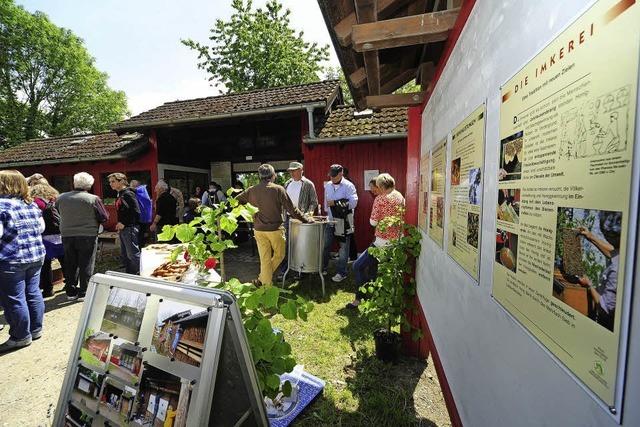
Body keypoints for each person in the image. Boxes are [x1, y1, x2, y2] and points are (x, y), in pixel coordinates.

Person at [236, 164, 313, 286]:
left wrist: (248, 211)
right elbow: (292, 210)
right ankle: (265, 285)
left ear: (259, 176)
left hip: (258, 230)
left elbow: (235, 201)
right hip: (275, 230)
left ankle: (262, 279)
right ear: (273, 175)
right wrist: (306, 220)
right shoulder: (278, 189)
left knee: (265, 259)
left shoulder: (252, 190)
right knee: (280, 255)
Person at [0, 170, 46, 353]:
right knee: (33, 292)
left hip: (11, 259)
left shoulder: (2, 205)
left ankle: (20, 336)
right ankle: (35, 329)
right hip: (35, 256)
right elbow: (41, 228)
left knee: (14, 298)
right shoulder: (31, 204)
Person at [347, 173, 405, 309]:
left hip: (381, 242)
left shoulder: (380, 199)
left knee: (357, 266)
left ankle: (359, 299)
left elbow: (372, 222)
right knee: (378, 270)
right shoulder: (400, 196)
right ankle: (378, 297)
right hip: (396, 242)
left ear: (380, 186)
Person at [57, 172, 109, 299]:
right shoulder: (93, 199)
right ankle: (84, 292)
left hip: (67, 234)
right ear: (90, 185)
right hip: (88, 234)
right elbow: (104, 217)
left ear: (74, 183)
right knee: (86, 263)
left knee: (70, 263)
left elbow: (58, 211)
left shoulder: (61, 198)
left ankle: (71, 291)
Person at [577, 211, 622, 332]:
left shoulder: (616, 270)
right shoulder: (624, 253)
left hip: (607, 325)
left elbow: (604, 307)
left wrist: (589, 284)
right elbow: (613, 253)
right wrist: (590, 236)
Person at [278, 161, 318, 278]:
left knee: (300, 245)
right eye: (291, 171)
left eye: (294, 170)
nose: (292, 173)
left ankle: (300, 271)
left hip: (301, 220)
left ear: (301, 170)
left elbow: (314, 202)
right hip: (287, 219)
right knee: (286, 244)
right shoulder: (287, 183)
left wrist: (308, 214)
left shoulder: (308, 184)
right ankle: (284, 270)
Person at [323, 164, 358, 282]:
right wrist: (327, 211)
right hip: (330, 220)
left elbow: (353, 203)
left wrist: (336, 203)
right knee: (325, 245)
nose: (332, 178)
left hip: (344, 221)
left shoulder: (349, 186)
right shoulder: (328, 185)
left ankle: (342, 272)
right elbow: (326, 202)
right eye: (330, 175)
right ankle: (323, 268)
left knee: (343, 248)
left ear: (341, 173)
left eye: (334, 176)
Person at [31, 182, 63, 297]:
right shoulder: (56, 199)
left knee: (46, 265)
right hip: (60, 234)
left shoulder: (36, 202)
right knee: (65, 261)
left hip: (45, 237)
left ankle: (48, 289)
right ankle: (70, 284)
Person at [108, 173, 141, 274]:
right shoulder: (120, 194)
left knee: (132, 254)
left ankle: (139, 275)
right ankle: (129, 275)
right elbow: (124, 211)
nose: (111, 184)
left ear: (122, 181)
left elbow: (136, 211)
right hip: (125, 228)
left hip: (130, 228)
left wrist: (124, 223)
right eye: (110, 182)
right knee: (126, 254)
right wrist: (120, 223)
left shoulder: (128, 194)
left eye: (113, 181)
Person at [130, 179, 153, 247]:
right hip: (146, 219)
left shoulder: (138, 192)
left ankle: (139, 253)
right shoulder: (144, 192)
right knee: (142, 237)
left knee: (138, 238)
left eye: (132, 186)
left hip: (139, 219)